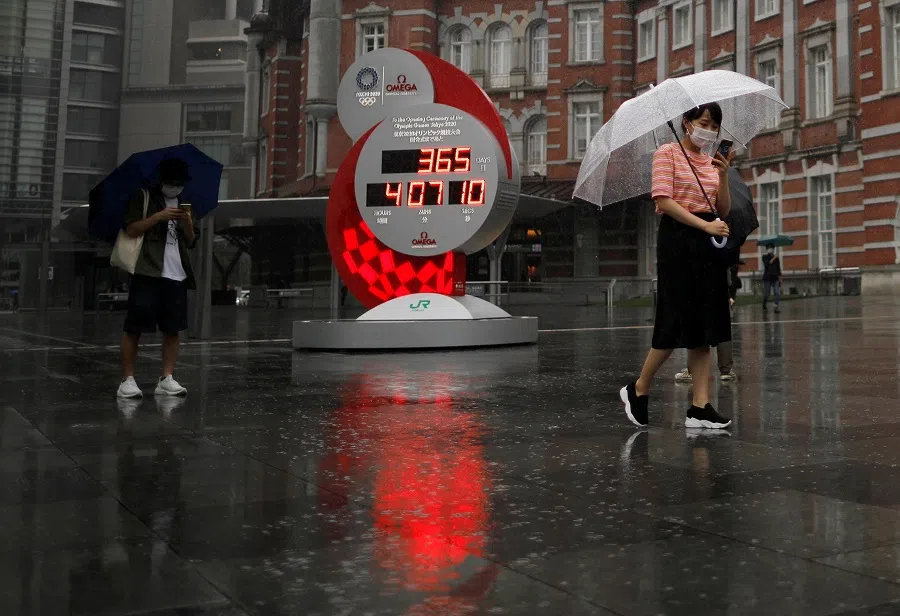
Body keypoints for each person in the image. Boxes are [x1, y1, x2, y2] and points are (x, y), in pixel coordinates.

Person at [620, 103, 734, 430]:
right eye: (704, 122)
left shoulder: (712, 162)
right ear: (686, 122)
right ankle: (639, 387)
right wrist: (704, 226)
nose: (709, 131)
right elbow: (663, 201)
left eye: (714, 126)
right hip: (678, 242)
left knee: (706, 326)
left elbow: (722, 208)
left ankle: (700, 406)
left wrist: (723, 175)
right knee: (675, 321)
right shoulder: (666, 153)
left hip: (708, 244)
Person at [117, 158, 199, 399]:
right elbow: (131, 229)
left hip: (177, 273)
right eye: (172, 182)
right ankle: (127, 380)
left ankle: (167, 378)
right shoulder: (144, 197)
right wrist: (159, 216)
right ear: (162, 180)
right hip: (147, 271)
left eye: (180, 183)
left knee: (173, 329)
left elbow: (192, 241)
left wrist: (188, 223)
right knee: (134, 327)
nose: (176, 187)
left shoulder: (186, 204)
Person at [675, 261, 741, 384]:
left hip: (700, 278)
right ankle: (726, 370)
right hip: (720, 279)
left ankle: (692, 369)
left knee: (697, 325)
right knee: (722, 326)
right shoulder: (721, 241)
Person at [762, 243, 781, 313]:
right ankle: (764, 305)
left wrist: (780, 278)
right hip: (767, 278)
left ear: (773, 249)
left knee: (777, 292)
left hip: (775, 277)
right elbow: (768, 264)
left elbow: (778, 268)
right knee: (767, 293)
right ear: (767, 249)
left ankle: (776, 306)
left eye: (771, 248)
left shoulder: (776, 258)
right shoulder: (764, 257)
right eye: (769, 248)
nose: (770, 249)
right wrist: (774, 258)